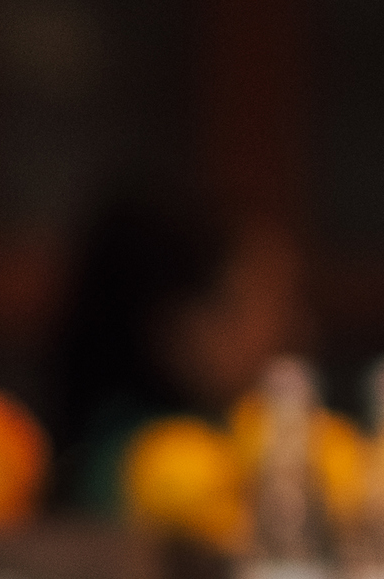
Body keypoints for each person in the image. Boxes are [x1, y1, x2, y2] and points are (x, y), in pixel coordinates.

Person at [47, 194, 302, 512]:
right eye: (268, 301)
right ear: (183, 327)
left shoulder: (251, 433)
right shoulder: (125, 466)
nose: (291, 327)